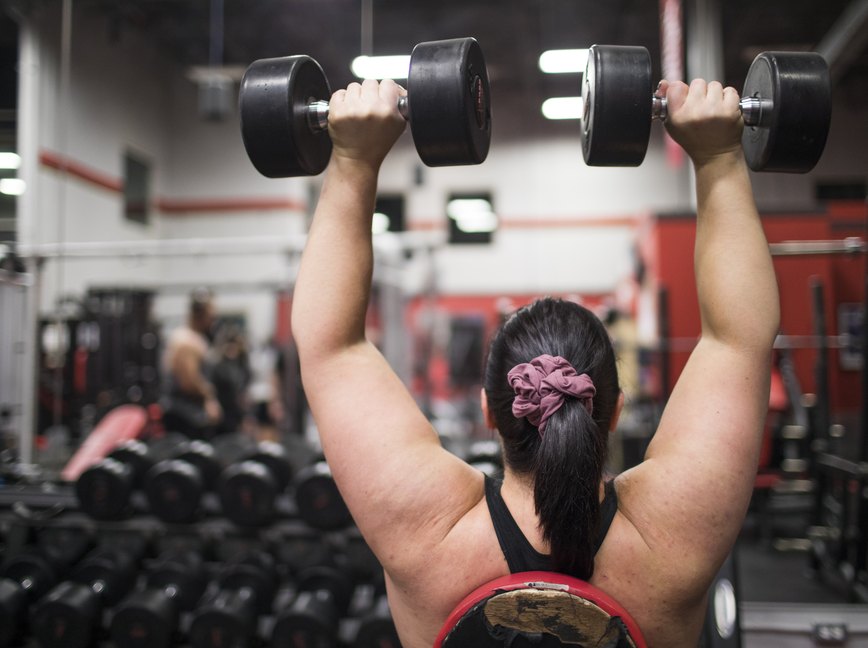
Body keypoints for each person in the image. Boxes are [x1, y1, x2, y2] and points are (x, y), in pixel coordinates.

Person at [290, 77, 779, 648]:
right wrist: (719, 154)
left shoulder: (430, 533)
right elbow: (738, 338)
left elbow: (331, 346)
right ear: (614, 410)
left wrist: (352, 156)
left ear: (490, 412)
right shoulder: (669, 537)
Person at [160, 288, 223, 437]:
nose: (213, 319)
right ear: (200, 314)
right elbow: (189, 381)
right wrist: (209, 397)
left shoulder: (194, 339)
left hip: (186, 410)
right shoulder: (186, 341)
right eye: (210, 314)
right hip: (184, 413)